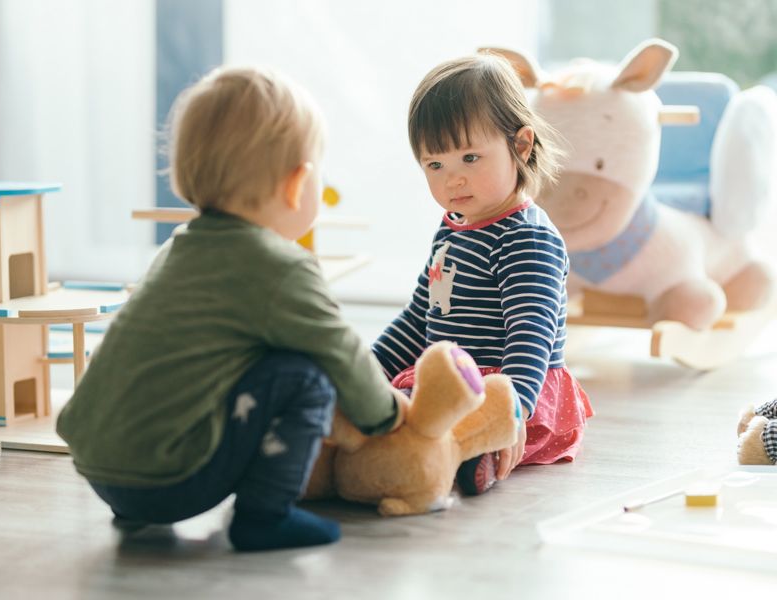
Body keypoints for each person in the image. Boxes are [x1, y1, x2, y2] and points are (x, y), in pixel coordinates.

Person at [56, 66, 408, 552]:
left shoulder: (177, 250)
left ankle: (135, 509)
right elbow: (340, 349)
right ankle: (265, 516)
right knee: (306, 374)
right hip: (170, 480)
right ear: (296, 183)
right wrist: (386, 414)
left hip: (99, 470)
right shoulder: (280, 266)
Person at [373, 53, 593, 495]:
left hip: (511, 390)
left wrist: (509, 412)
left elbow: (530, 338)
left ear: (521, 145)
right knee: (388, 411)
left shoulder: (527, 239)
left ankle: (464, 459)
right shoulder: (452, 227)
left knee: (425, 430)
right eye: (435, 166)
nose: (453, 181)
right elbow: (420, 317)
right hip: (451, 378)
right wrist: (369, 370)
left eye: (470, 158)